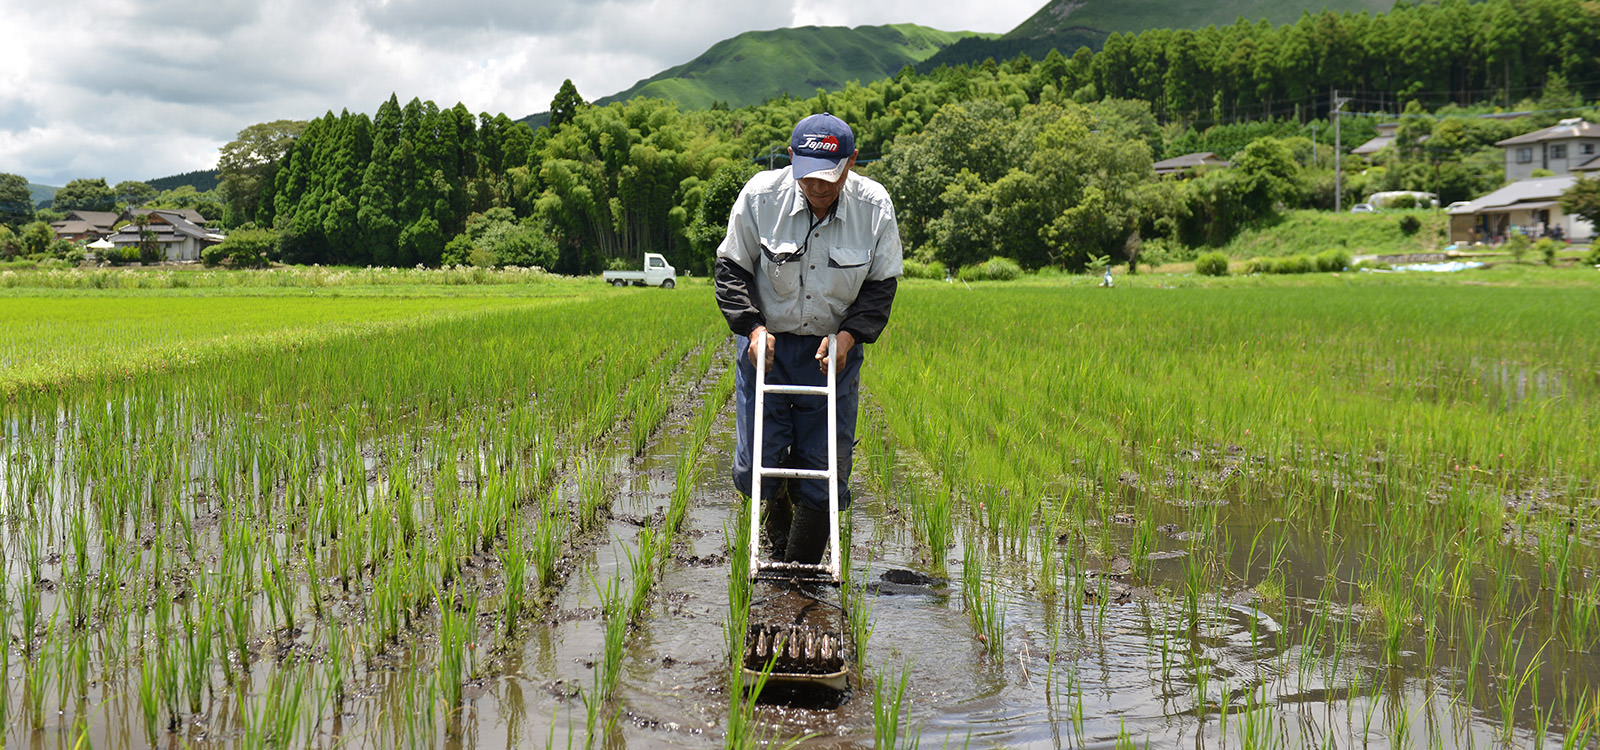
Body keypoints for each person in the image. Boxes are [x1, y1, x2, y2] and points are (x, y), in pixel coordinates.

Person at [714, 112, 903, 565]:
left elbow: (880, 287)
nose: (817, 187)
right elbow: (731, 270)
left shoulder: (874, 207)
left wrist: (849, 337)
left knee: (825, 465)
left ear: (851, 163)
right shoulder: (761, 196)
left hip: (832, 351)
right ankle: (776, 520)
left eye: (828, 178)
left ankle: (800, 576)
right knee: (758, 463)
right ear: (792, 159)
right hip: (767, 348)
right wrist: (753, 329)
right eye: (808, 176)